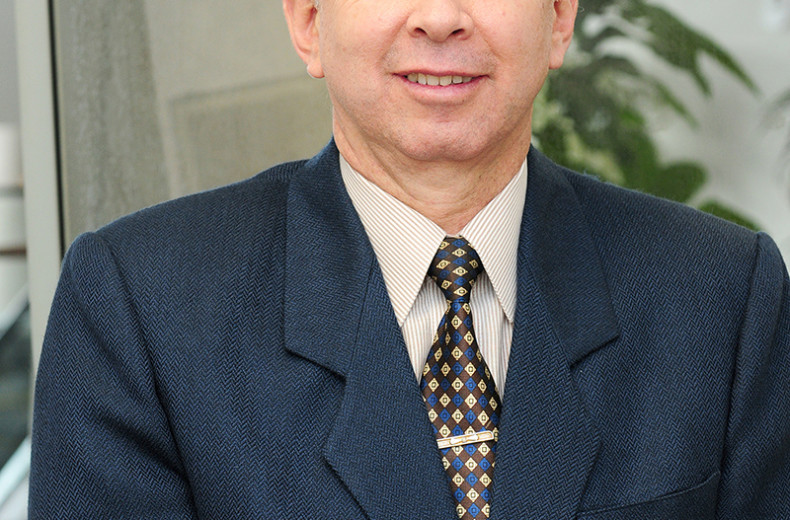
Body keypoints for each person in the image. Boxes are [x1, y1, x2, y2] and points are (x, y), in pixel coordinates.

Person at [29, 0, 790, 518]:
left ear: (559, 18)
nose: (440, 17)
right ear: (308, 19)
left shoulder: (723, 294)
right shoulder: (139, 305)